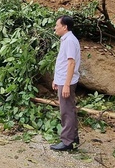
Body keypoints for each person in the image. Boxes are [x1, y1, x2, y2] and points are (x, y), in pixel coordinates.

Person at [50, 15, 81, 151]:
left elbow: (71, 63)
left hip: (66, 81)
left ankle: (67, 142)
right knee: (70, 109)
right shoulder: (67, 39)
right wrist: (57, 80)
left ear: (64, 27)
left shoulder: (69, 41)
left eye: (57, 25)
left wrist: (66, 84)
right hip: (63, 79)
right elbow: (63, 63)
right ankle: (73, 136)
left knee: (66, 111)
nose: (55, 28)